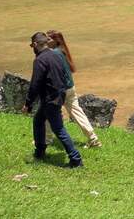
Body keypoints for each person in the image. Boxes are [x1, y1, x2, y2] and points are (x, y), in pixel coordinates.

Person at [23, 32, 83, 168]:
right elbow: (64, 74)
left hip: (51, 99)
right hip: (58, 95)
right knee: (38, 121)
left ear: (36, 44)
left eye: (32, 45)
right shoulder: (57, 55)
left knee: (59, 129)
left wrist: (28, 103)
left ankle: (76, 159)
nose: (32, 48)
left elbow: (35, 84)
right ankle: (40, 151)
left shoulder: (40, 60)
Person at [45, 30, 101, 148]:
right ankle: (93, 138)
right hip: (70, 88)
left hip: (61, 90)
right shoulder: (63, 51)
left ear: (56, 41)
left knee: (48, 113)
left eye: (49, 39)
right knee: (77, 113)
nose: (46, 41)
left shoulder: (54, 53)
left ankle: (47, 139)